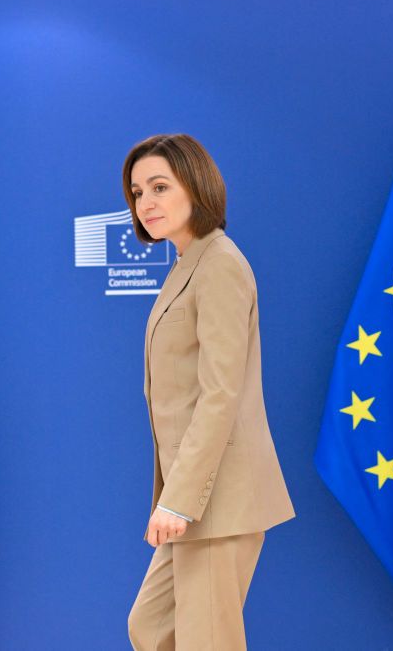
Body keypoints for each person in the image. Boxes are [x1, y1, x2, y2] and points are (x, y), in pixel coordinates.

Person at [123, 134, 295, 650]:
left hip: (217, 498)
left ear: (196, 187)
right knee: (153, 628)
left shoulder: (219, 263)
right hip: (197, 496)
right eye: (136, 192)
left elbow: (221, 393)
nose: (145, 203)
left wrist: (178, 501)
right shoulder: (187, 262)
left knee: (207, 642)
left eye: (159, 186)